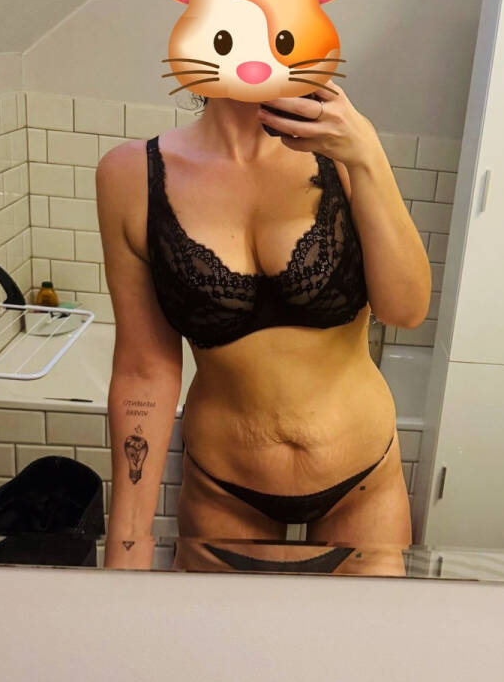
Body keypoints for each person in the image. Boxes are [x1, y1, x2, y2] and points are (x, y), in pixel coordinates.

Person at [96, 78, 431, 569]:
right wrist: (127, 542)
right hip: (224, 492)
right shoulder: (130, 176)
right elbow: (142, 371)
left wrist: (366, 155)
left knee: (368, 624)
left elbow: (406, 311)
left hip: (363, 484)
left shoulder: (343, 153)